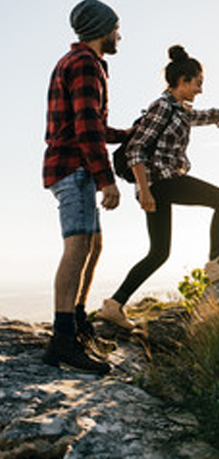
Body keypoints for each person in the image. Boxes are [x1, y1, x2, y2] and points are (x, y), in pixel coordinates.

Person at [97, 45, 219, 329]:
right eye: (198, 83)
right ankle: (216, 262)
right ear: (182, 81)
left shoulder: (180, 110)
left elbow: (205, 115)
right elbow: (135, 150)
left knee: (159, 252)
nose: (200, 90)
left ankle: (114, 304)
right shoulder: (162, 107)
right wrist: (144, 191)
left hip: (160, 185)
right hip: (162, 182)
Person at [42, 0, 131, 374]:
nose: (119, 34)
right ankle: (63, 340)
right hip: (73, 168)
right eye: (116, 27)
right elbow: (86, 128)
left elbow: (91, 123)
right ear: (102, 28)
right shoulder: (83, 65)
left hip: (75, 166)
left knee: (92, 245)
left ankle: (76, 321)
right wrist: (107, 179)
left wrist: (129, 133)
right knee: (77, 247)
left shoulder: (79, 63)